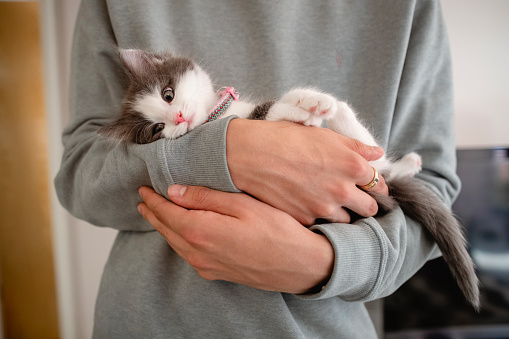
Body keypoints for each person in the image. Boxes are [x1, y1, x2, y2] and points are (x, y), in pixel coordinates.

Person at [55, 0, 459, 337]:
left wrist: (327, 262)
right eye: (161, 126)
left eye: (166, 96)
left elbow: (433, 183)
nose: (175, 119)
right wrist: (220, 154)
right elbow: (79, 171)